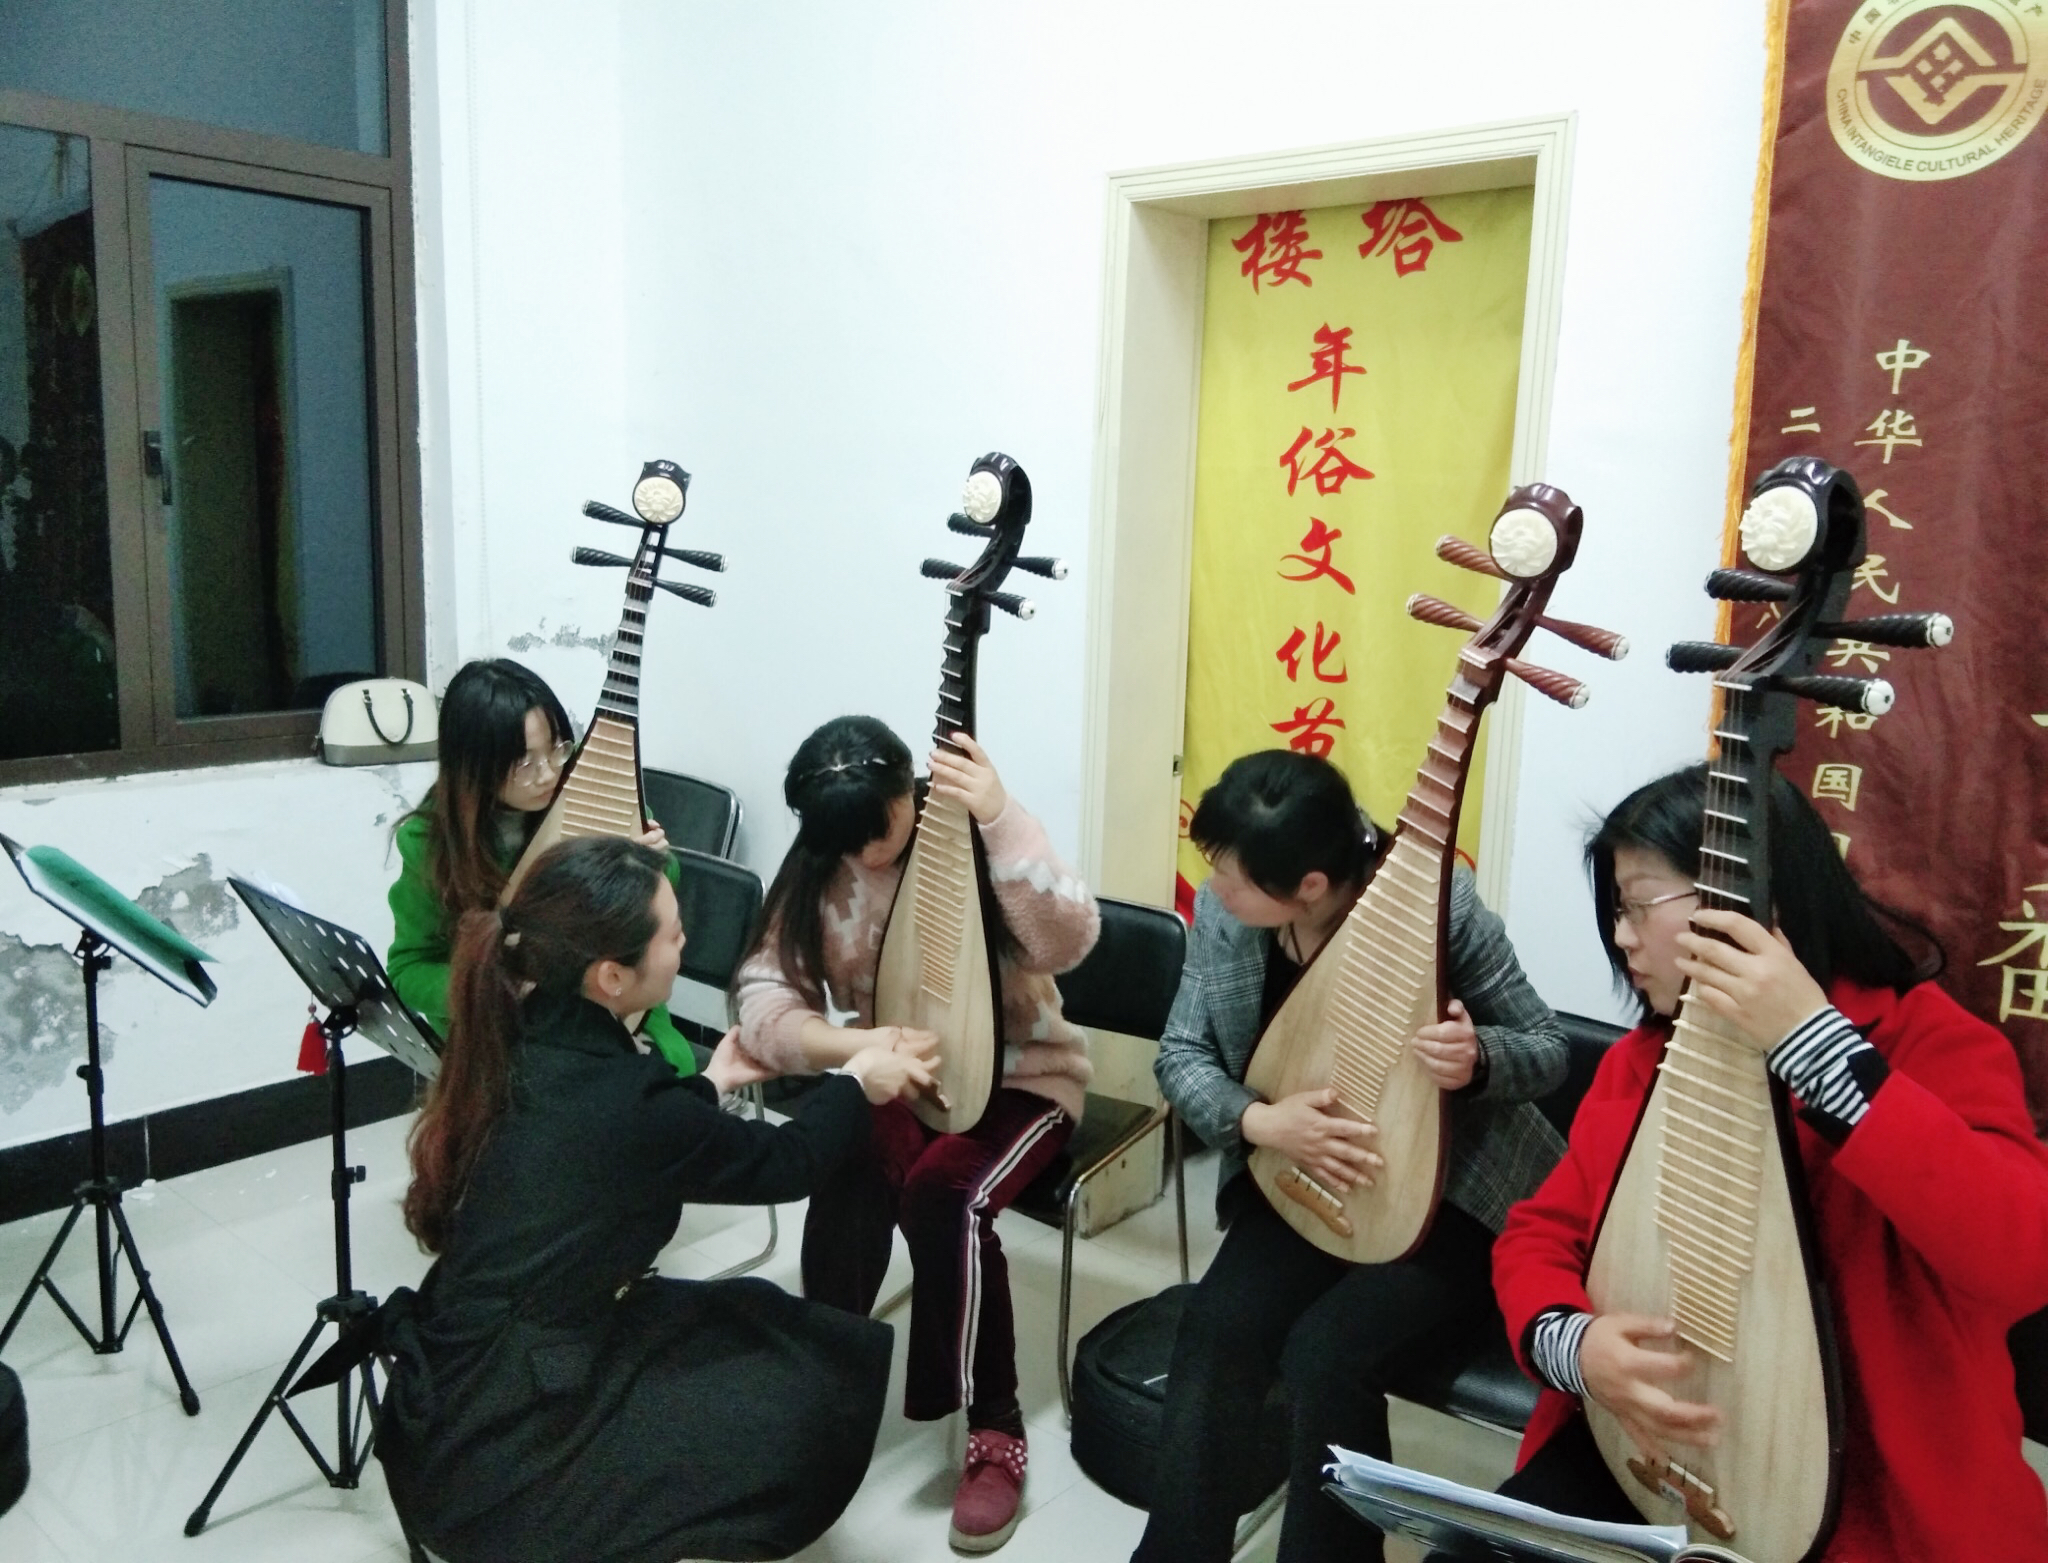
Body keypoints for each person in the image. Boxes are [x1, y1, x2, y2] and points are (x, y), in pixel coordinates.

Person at [1484, 762, 2048, 1562]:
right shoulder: (1642, 1063)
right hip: (1652, 1458)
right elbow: (1538, 1235)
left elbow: (2020, 1259)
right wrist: (1575, 1347)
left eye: (1638, 906)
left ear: (1749, 908)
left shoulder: (1925, 1043)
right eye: (1616, 910)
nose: (1622, 937)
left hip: (1871, 1498)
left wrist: (1812, 1045)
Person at [370, 835, 934, 1563]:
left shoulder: (519, 1039)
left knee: (752, 1315)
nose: (685, 943)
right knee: (794, 1394)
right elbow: (789, 1162)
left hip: (456, 1387)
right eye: (672, 934)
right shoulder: (629, 1100)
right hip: (496, 1452)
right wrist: (857, 1080)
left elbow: (622, 1132)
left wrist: (712, 1083)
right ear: (611, 975)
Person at [1135, 748, 1567, 1563]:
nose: (1213, 890)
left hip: (1444, 1196)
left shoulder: (1438, 909)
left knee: (1327, 1353)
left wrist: (1477, 1057)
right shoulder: (1229, 915)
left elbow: (1546, 1048)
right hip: (1297, 1170)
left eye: (1231, 877)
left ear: (1309, 885)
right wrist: (1261, 1120)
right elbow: (1180, 1053)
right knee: (1217, 1326)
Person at [732, 714, 1100, 1553]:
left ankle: (995, 1425)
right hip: (900, 1070)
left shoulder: (969, 830)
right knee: (847, 1151)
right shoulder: (824, 857)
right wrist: (855, 1048)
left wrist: (1001, 812)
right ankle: (823, 1369)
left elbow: (1070, 939)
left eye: (881, 829)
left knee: (944, 1195)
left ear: (911, 789)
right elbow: (763, 995)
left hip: (1024, 1081)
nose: (866, 854)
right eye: (848, 843)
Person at [385, 657, 694, 1075]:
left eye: (557, 749)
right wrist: (500, 987)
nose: (548, 774)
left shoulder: (590, 780)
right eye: (524, 763)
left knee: (655, 1081)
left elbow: (658, 897)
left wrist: (650, 863)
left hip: (615, 1011)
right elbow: (409, 970)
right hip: (503, 1031)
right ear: (474, 766)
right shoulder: (430, 843)